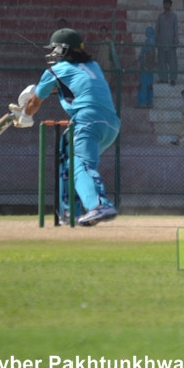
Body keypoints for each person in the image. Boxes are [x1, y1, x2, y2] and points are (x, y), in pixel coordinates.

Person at [9, 28, 120, 226]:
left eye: (55, 49)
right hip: (110, 124)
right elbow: (68, 86)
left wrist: (24, 115)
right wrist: (35, 94)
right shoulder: (93, 65)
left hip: (88, 121)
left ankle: (99, 205)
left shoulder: (56, 70)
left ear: (63, 50)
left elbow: (35, 103)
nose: (52, 54)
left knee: (79, 163)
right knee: (66, 155)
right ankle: (70, 212)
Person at [155, 0, 178, 85]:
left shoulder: (174, 16)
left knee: (172, 62)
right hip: (161, 43)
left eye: (167, 4)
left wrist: (176, 40)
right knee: (161, 62)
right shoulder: (160, 17)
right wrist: (156, 40)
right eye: (165, 4)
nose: (166, 5)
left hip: (171, 43)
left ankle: (173, 79)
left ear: (170, 5)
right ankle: (163, 78)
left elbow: (175, 29)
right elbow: (157, 29)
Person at [136, 26, 156, 108]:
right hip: (150, 68)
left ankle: (143, 102)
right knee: (149, 86)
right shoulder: (154, 43)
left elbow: (144, 55)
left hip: (145, 68)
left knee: (143, 85)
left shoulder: (148, 43)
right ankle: (149, 102)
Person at [94, 25, 115, 90]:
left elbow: (112, 54)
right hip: (100, 63)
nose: (103, 33)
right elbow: (95, 50)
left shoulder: (110, 42)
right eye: (102, 31)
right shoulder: (98, 42)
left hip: (107, 64)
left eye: (104, 31)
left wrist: (112, 64)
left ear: (107, 33)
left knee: (107, 80)